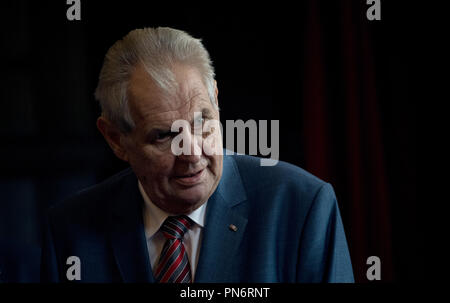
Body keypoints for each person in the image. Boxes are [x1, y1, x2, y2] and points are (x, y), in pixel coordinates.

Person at [40, 27, 354, 283]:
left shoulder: (301, 207)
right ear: (116, 139)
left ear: (216, 100)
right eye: (164, 135)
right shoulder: (70, 232)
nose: (192, 153)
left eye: (202, 122)